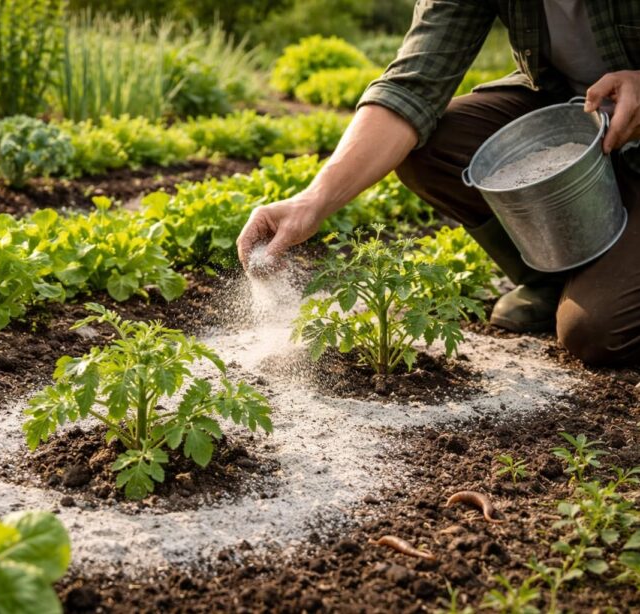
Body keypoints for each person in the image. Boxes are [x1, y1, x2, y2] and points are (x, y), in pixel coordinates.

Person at [237, 1, 640, 367]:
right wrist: (311, 202)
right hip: (569, 114)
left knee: (598, 332)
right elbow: (412, 86)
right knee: (429, 144)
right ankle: (554, 274)